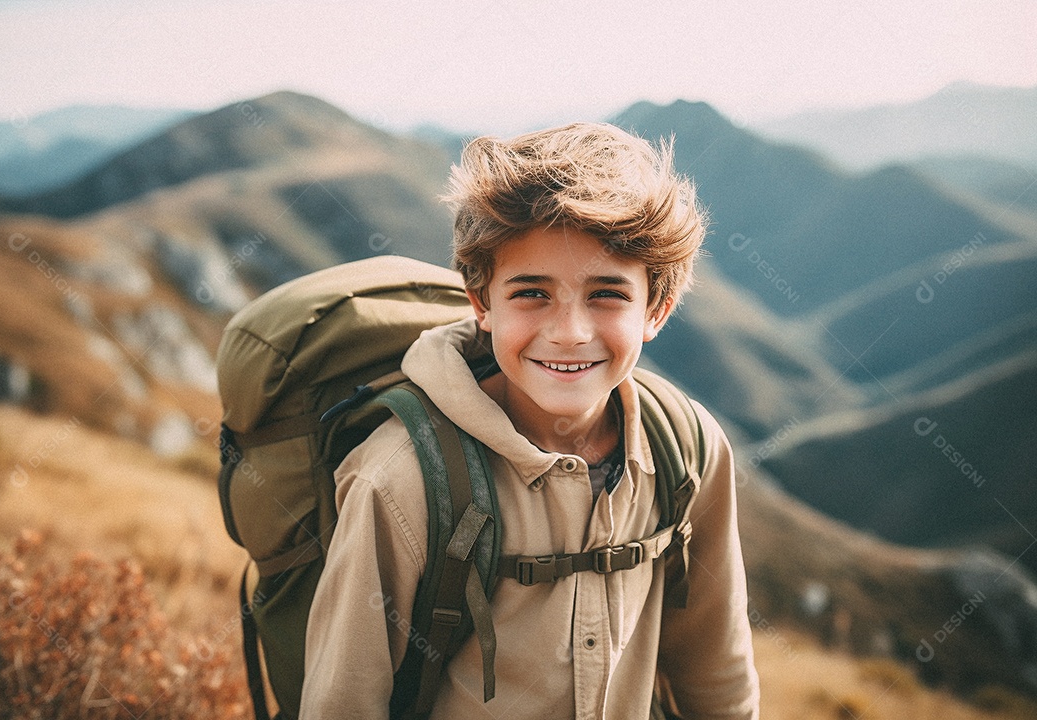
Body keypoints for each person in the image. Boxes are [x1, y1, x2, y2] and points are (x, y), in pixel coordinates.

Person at [299, 122, 759, 719]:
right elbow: (342, 704)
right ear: (481, 302)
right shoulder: (401, 480)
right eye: (532, 293)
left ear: (657, 309)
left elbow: (716, 671)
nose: (569, 332)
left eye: (607, 295)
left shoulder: (688, 449)